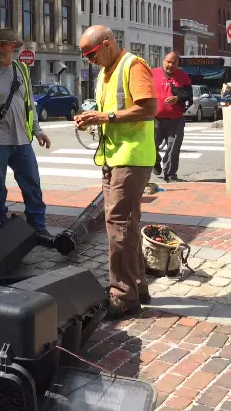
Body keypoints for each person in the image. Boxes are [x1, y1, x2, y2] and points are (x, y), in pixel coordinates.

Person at [75, 25, 157, 319]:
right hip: (114, 156)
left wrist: (105, 116)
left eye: (92, 54)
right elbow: (108, 111)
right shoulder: (104, 72)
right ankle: (136, 287)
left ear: (107, 44)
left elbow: (149, 108)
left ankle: (122, 295)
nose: (90, 61)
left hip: (132, 157)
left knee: (117, 223)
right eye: (85, 56)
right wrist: (91, 119)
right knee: (127, 223)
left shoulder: (132, 65)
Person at [0, 28, 51, 236]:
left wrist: (38, 131)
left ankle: (38, 227)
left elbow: (29, 104)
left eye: (3, 44)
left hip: (22, 140)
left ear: (13, 47)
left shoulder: (22, 70)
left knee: (32, 184)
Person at [152, 52, 192, 182]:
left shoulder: (183, 76)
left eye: (174, 62)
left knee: (173, 149)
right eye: (168, 61)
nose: (170, 65)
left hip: (176, 119)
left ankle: (170, 174)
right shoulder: (152, 73)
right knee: (150, 145)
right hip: (155, 118)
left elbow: (188, 96)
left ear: (178, 63)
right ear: (163, 61)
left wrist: (178, 98)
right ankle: (155, 161)